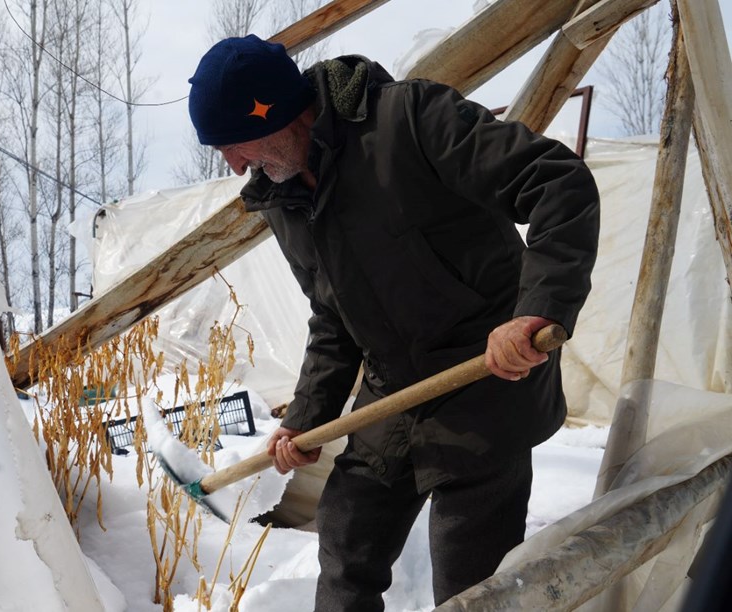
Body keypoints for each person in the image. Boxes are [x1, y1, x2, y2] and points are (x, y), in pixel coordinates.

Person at [187, 35, 600, 610]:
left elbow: (558, 183)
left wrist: (538, 308)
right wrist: (305, 419)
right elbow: (333, 317)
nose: (235, 165)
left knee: (468, 574)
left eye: (235, 144)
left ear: (277, 113)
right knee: (347, 532)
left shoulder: (409, 120)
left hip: (484, 374)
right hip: (394, 386)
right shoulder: (284, 200)